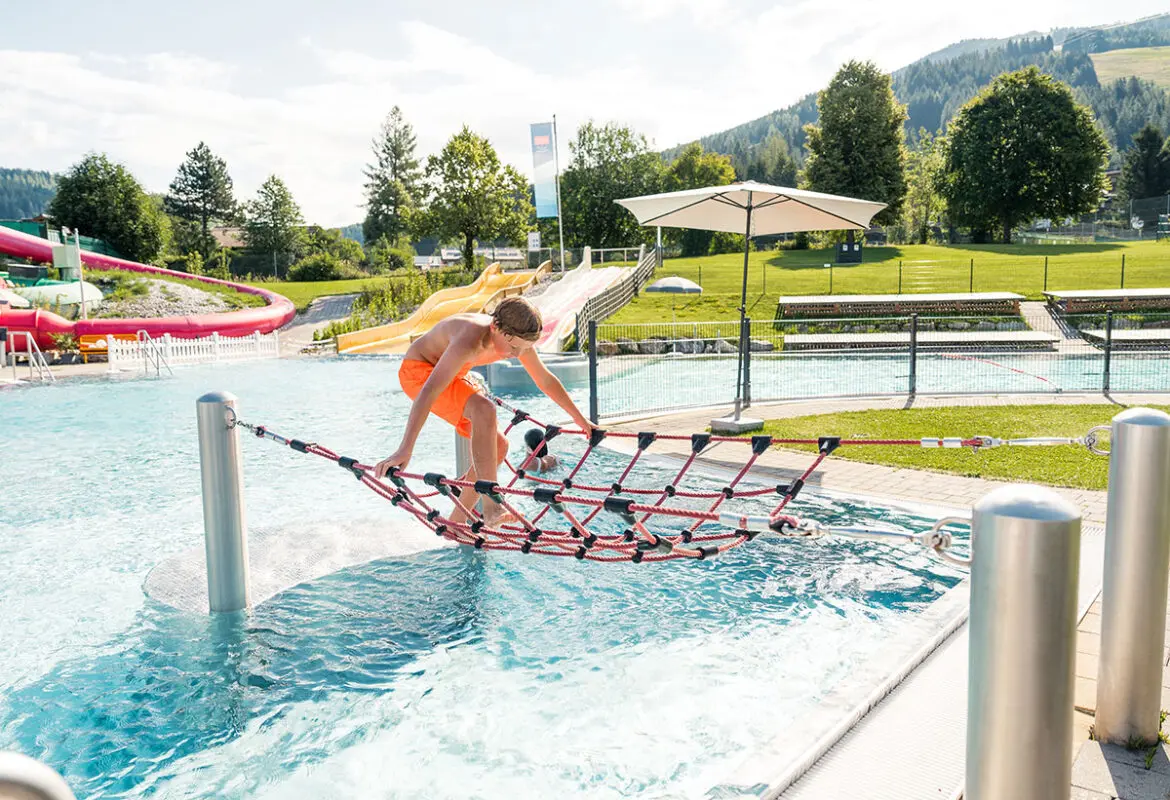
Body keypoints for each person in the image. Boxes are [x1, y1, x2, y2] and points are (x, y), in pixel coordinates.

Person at [374, 296, 591, 526]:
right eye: (514, 348)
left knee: (499, 446)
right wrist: (405, 449)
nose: (518, 355)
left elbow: (545, 380)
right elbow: (428, 391)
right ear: (495, 327)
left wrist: (582, 421)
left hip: (452, 375)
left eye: (523, 349)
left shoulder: (516, 338)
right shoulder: (469, 340)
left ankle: (456, 523)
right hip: (418, 373)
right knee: (484, 410)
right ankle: (492, 508)